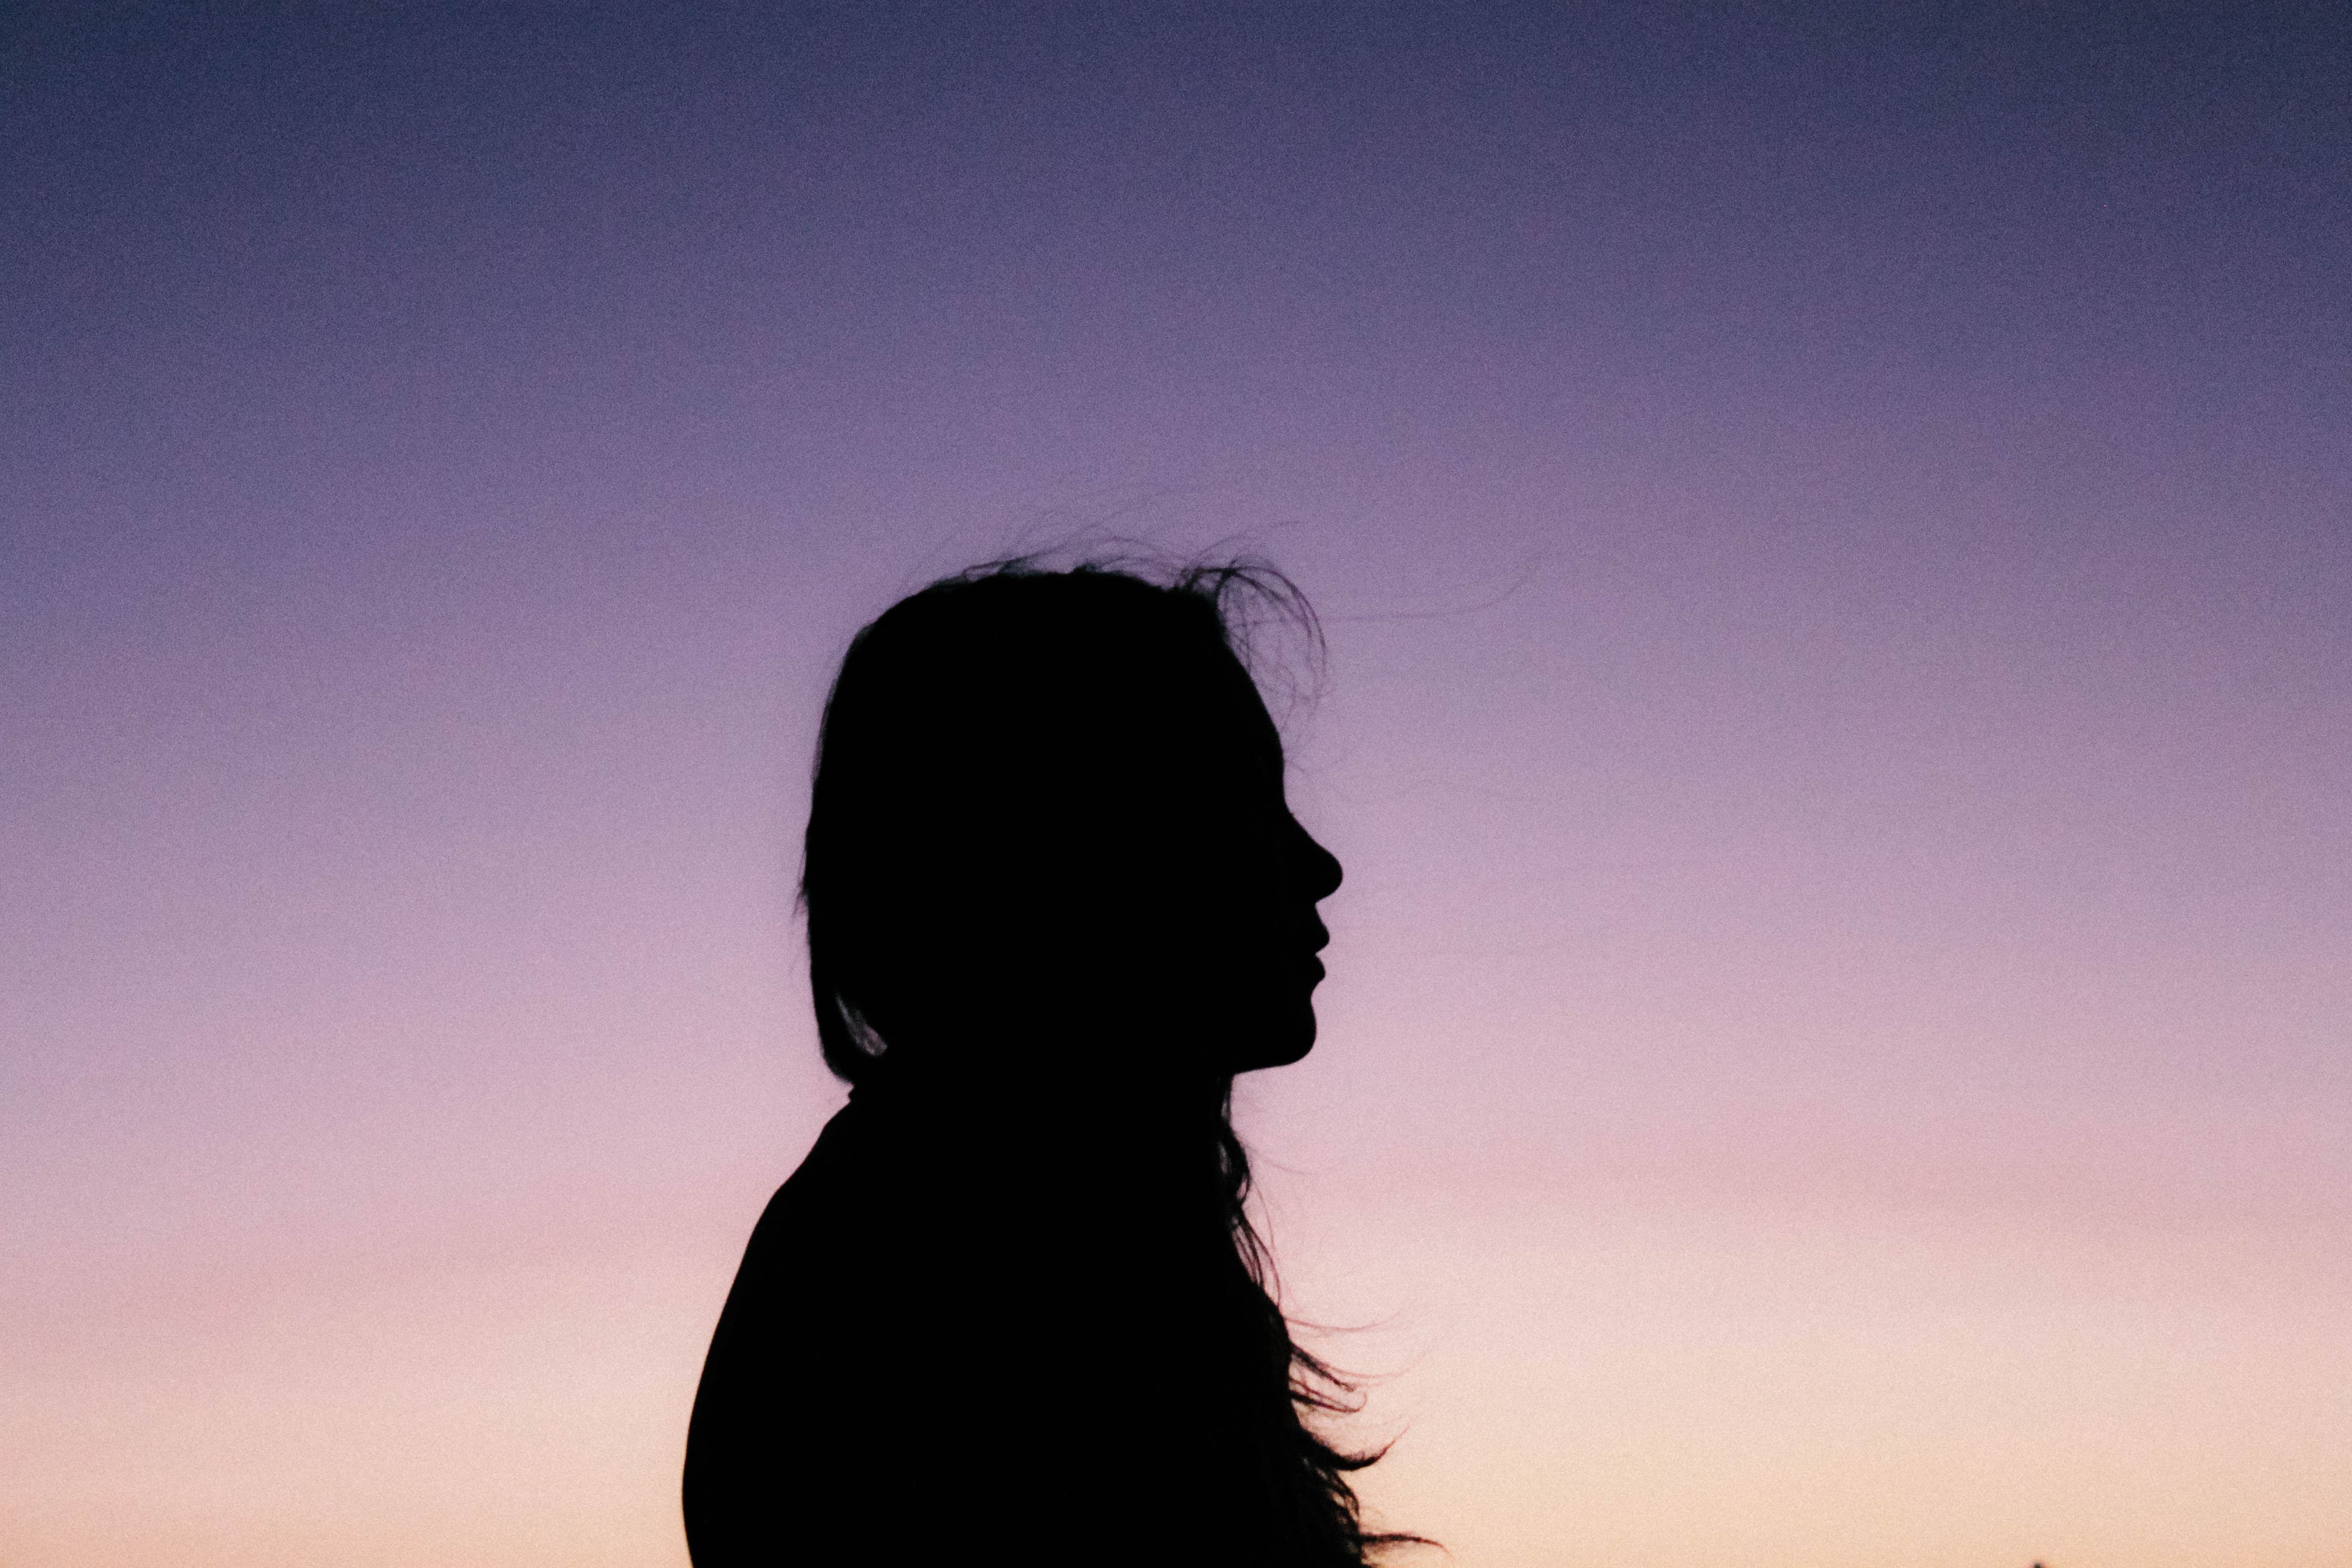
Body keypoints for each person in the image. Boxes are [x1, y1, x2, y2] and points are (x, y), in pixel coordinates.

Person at [683, 560, 1421, 1565]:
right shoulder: (961, 1263)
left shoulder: (988, 1219)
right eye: (1245, 803)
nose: (1319, 865)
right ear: (1082, 842)